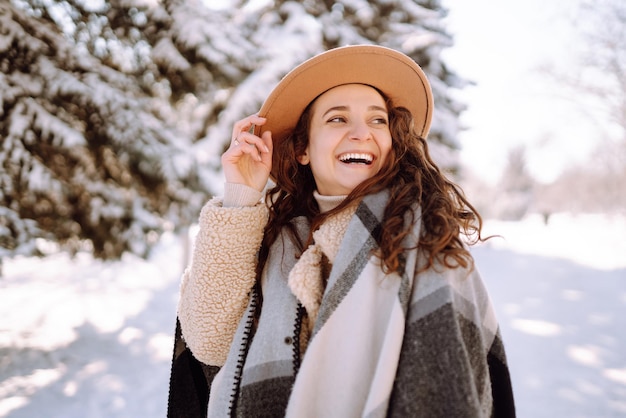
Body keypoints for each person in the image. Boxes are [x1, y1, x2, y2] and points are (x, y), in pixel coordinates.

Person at [167, 45, 515, 418]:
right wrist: (241, 195)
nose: (362, 133)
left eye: (378, 120)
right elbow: (208, 341)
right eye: (337, 119)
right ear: (302, 149)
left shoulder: (428, 242)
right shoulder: (272, 242)